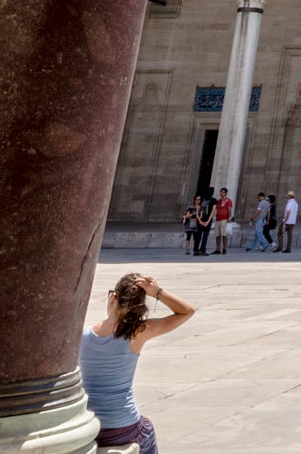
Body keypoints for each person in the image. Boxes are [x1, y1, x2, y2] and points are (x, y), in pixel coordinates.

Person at [79, 272, 195, 454]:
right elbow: (187, 311)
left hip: (88, 426)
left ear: (113, 297)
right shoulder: (138, 332)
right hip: (122, 426)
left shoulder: (83, 335)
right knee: (146, 429)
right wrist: (158, 292)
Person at [212, 187, 232, 256]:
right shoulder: (218, 201)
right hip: (218, 219)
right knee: (217, 235)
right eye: (221, 192)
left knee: (224, 234)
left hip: (224, 219)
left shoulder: (228, 200)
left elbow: (229, 209)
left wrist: (229, 217)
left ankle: (224, 248)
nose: (221, 193)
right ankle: (217, 249)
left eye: (223, 192)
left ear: (226, 193)